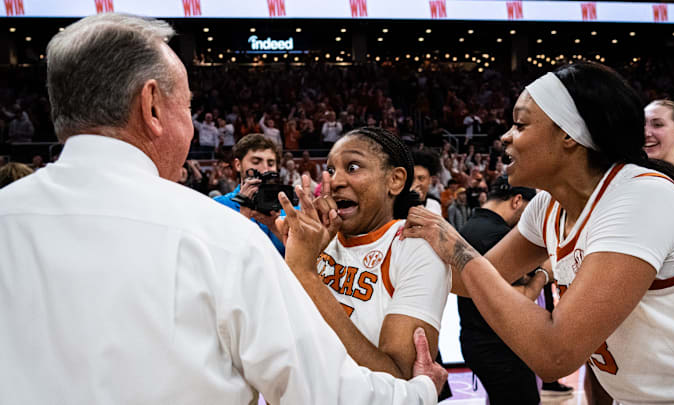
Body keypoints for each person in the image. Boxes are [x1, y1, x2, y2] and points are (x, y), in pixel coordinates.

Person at [0, 14, 447, 404]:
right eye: (188, 107)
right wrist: (421, 389)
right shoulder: (220, 236)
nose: (192, 127)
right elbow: (322, 392)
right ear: (152, 106)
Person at [402, 62, 674, 404]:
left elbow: (554, 355)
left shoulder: (640, 197)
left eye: (521, 124)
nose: (506, 136)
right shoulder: (548, 206)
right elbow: (467, 280)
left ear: (570, 134)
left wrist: (460, 250)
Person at [278, 127, 451, 387]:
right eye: (332, 169)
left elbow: (397, 384)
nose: (335, 181)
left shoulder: (414, 246)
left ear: (395, 180)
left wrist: (305, 274)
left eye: (353, 167)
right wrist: (293, 265)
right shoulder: (316, 243)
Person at [457, 176, 539, 405]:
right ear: (517, 201)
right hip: (498, 346)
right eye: (528, 211)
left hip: (475, 338)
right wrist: (543, 273)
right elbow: (520, 298)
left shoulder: (469, 227)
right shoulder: (498, 235)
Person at [214, 134, 286, 255]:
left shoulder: (289, 208)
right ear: (238, 165)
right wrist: (244, 216)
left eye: (271, 163)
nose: (264, 170)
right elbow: (220, 255)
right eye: (256, 162)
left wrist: (274, 226)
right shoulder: (219, 206)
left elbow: (301, 258)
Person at [411, 150, 442, 215]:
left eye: (421, 178)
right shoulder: (397, 205)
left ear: (430, 180)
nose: (415, 183)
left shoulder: (435, 205)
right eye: (411, 179)